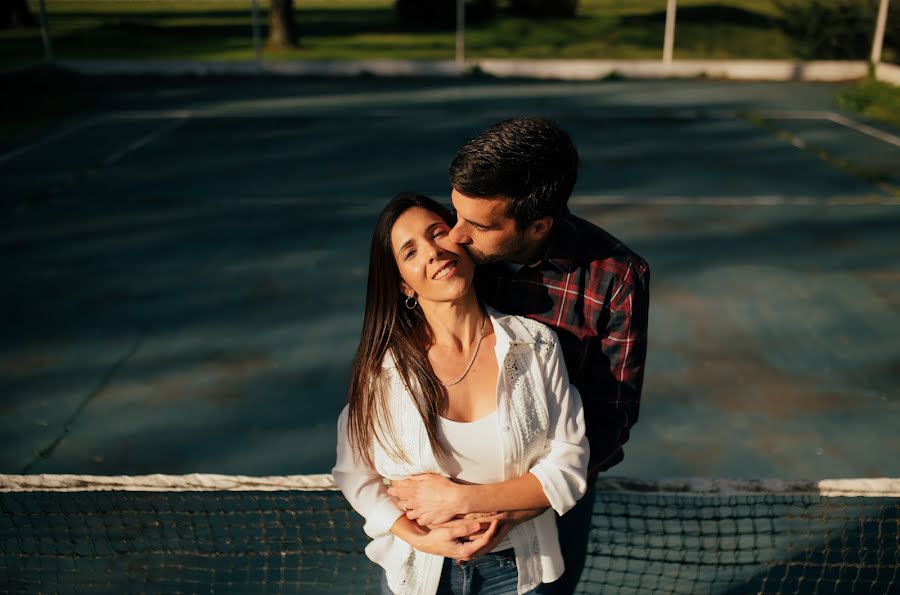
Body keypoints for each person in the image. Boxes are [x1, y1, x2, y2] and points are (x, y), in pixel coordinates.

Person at [391, 118, 651, 594]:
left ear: (537, 225)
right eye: (455, 213)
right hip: (437, 500)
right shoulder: (452, 252)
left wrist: (512, 501)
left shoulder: (616, 279)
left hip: (548, 503)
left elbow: (611, 418)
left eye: (479, 225)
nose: (455, 237)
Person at [333, 193, 589, 595]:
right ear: (403, 283)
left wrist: (457, 500)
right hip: (419, 573)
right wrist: (418, 537)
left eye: (438, 234)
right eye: (411, 251)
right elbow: (357, 476)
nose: (433, 252)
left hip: (520, 572)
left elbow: (567, 469)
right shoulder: (382, 371)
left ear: (464, 245)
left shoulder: (536, 345)